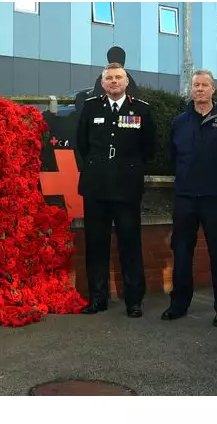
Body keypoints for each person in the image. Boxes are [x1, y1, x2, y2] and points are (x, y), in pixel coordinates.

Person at [162, 69, 217, 327]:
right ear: (191, 89)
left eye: (204, 85)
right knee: (182, 251)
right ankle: (178, 304)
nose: (199, 89)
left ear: (213, 89)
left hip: (216, 198)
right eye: (196, 85)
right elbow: (173, 158)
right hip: (185, 198)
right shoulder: (179, 122)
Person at [76, 62, 157, 317]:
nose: (113, 82)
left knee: (130, 245)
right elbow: (82, 144)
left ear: (126, 82)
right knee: (96, 244)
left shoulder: (140, 110)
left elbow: (149, 148)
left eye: (118, 78)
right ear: (102, 83)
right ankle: (97, 298)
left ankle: (134, 300)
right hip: (96, 188)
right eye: (109, 78)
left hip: (126, 188)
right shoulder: (91, 107)